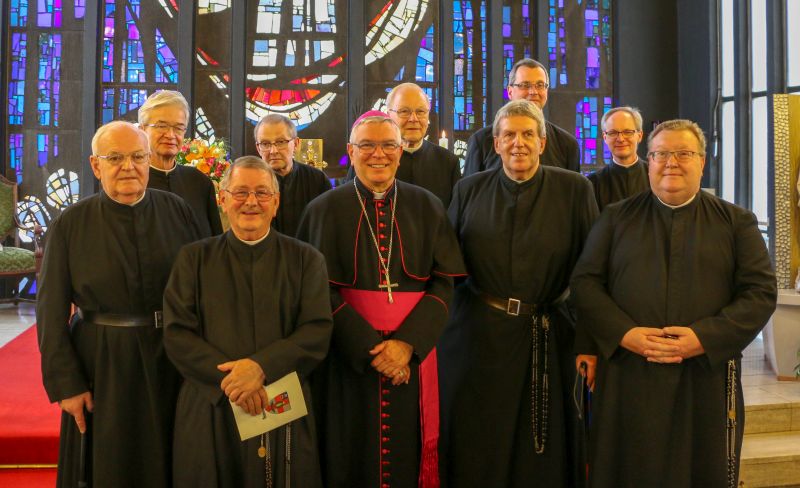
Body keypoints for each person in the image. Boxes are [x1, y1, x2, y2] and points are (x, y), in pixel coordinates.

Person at [570, 119, 777, 488]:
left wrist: (704, 338)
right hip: (629, 374)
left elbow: (760, 293)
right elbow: (585, 284)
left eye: (683, 153)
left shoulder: (736, 223)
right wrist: (625, 333)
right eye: (661, 153)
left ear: (702, 161)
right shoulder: (616, 218)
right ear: (648, 160)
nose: (671, 162)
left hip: (705, 377)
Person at [296, 111, 465, 488]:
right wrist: (372, 349)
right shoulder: (323, 209)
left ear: (401, 151)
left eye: (388, 145)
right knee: (348, 453)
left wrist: (406, 344)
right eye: (367, 145)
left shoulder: (427, 206)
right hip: (348, 359)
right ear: (350, 152)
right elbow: (316, 290)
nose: (379, 154)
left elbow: (443, 283)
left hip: (413, 358)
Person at [440, 100, 598, 487]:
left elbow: (591, 274)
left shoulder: (574, 189)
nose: (518, 143)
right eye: (509, 135)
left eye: (528, 134)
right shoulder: (468, 190)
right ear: (495, 144)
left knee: (543, 447)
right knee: (480, 439)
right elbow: (448, 267)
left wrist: (589, 342)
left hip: (551, 335)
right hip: (479, 337)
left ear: (543, 143)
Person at [36, 121, 202, 488]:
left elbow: (205, 288)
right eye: (115, 158)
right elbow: (50, 311)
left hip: (170, 356)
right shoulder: (70, 224)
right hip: (101, 363)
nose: (128, 166)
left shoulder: (178, 211)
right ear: (96, 166)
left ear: (148, 160)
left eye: (137, 156)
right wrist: (66, 383)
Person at [163, 156, 332, 487]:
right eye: (240, 192)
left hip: (280, 401)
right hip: (210, 403)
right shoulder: (193, 259)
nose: (251, 202)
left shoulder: (306, 259)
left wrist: (261, 367)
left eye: (262, 193)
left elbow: (317, 330)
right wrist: (235, 383)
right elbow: (177, 333)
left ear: (276, 202)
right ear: (222, 199)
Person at [346, 83, 462, 207]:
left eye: (421, 111)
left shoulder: (448, 162)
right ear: (389, 114)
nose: (413, 119)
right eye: (404, 111)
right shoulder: (371, 160)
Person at [463, 58, 580, 176]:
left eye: (540, 85)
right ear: (510, 92)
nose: (533, 92)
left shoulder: (567, 145)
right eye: (525, 85)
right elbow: (470, 190)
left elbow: (573, 190)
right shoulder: (481, 141)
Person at [139, 90, 223, 237]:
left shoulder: (200, 183)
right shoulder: (133, 183)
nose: (171, 135)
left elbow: (216, 245)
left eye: (178, 128)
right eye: (161, 126)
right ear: (142, 130)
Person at [254, 114, 331, 237]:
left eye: (280, 142)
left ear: (296, 144)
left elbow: (327, 228)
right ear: (258, 148)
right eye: (265, 144)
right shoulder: (250, 183)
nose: (273, 151)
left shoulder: (317, 180)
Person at [588, 106, 649, 211]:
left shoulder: (656, 176)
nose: (620, 139)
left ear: (639, 135)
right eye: (612, 133)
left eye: (627, 132)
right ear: (605, 137)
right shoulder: (592, 184)